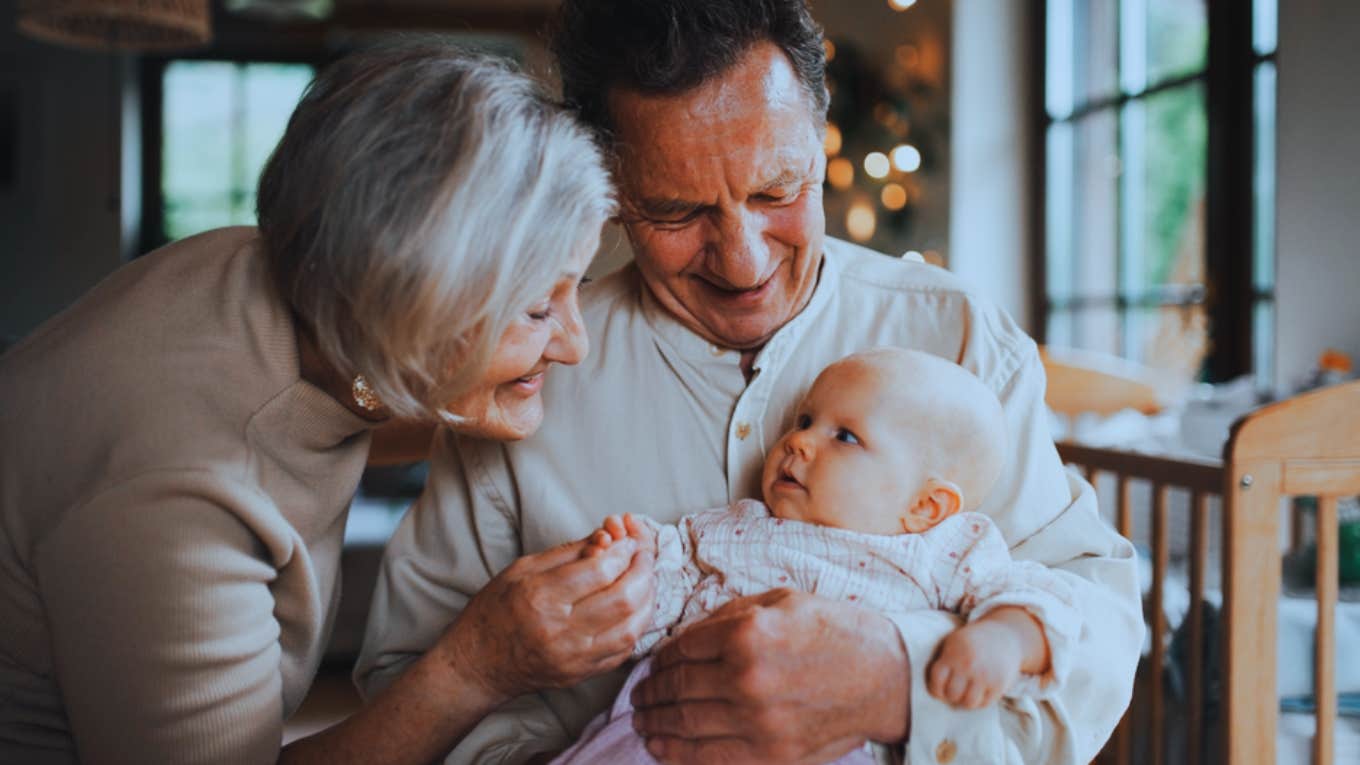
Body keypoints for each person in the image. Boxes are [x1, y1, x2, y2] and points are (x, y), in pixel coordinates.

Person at [356, 2, 1142, 763]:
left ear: (818, 142)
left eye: (776, 192)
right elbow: (412, 678)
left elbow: (1092, 618)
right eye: (675, 211)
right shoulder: (526, 368)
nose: (743, 261)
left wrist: (902, 681)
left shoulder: (959, 336)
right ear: (611, 197)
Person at [0, 42, 644, 765]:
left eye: (575, 288)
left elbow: (354, 406)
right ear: (413, 312)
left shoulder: (281, 274)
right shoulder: (179, 501)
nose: (575, 345)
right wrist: (479, 664)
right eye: (535, 310)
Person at [553, 348, 1083, 764]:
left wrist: (1002, 638)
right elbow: (661, 592)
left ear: (925, 505)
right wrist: (632, 559)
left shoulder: (942, 550)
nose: (799, 443)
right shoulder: (737, 528)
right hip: (672, 732)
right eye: (805, 420)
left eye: (845, 436)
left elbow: (1035, 595)